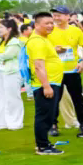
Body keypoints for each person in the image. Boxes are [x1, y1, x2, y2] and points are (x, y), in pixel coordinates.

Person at [26, 12, 66, 155]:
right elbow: (38, 66)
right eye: (46, 23)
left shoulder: (43, 39)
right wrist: (46, 86)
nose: (50, 26)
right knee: (44, 116)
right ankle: (43, 146)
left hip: (51, 82)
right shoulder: (37, 41)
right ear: (36, 25)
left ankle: (44, 143)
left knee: (48, 115)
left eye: (51, 23)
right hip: (45, 84)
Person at [48, 6, 83, 136]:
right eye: (54, 15)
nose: (56, 18)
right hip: (55, 71)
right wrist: (54, 50)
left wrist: (82, 61)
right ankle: (53, 125)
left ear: (68, 16)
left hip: (72, 71)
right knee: (54, 99)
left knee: (77, 98)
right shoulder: (49, 31)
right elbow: (41, 48)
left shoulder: (75, 31)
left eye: (59, 15)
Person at [0, 19, 25, 131]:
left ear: (9, 29)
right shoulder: (0, 42)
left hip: (12, 72)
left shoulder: (14, 42)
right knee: (0, 97)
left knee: (13, 97)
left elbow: (7, 55)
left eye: (1, 27)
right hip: (0, 72)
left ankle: (16, 122)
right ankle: (1, 122)